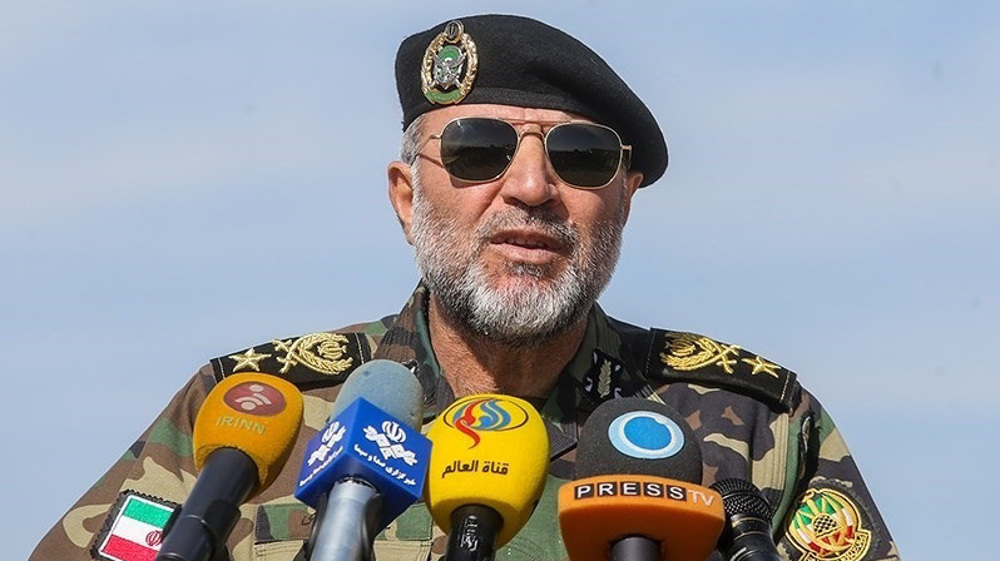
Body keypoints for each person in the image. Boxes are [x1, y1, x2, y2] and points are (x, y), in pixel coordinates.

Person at [31, 14, 899, 561]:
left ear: (624, 200)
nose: (529, 189)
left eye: (582, 157)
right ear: (408, 198)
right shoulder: (257, 414)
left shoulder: (757, 430)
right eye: (480, 152)